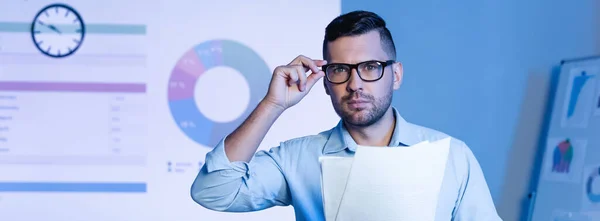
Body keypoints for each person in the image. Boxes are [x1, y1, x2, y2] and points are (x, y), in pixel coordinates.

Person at [190, 10, 502, 221]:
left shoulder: (452, 156)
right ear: (325, 81)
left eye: (370, 68)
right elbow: (214, 191)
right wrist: (273, 103)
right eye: (340, 70)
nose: (354, 85)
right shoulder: (296, 158)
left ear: (396, 75)